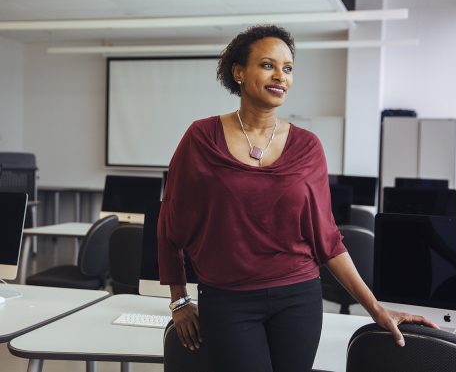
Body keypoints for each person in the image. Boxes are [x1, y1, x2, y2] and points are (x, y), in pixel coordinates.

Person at [157, 24, 438, 372]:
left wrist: (375, 308)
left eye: (288, 68)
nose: (280, 76)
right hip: (228, 299)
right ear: (239, 72)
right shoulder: (201, 138)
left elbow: (327, 240)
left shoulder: (308, 147)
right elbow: (170, 222)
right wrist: (178, 299)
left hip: (299, 296)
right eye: (267, 65)